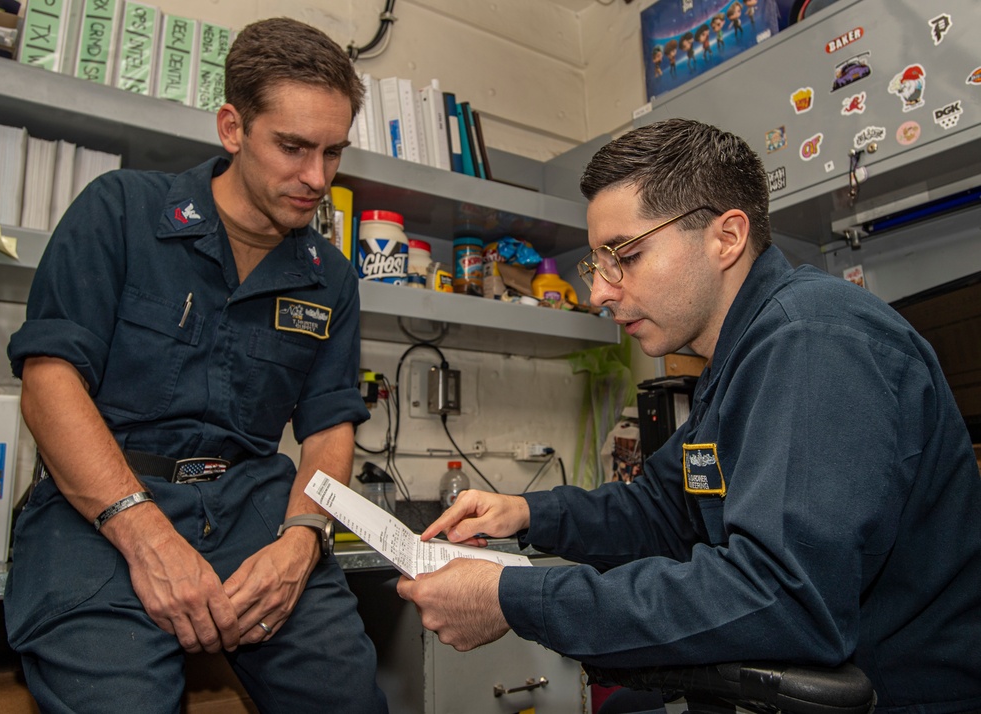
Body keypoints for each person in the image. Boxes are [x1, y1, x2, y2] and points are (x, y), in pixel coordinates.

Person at [396, 118, 981, 713]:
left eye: (624, 254)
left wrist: (513, 597)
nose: (599, 291)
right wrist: (523, 513)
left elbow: (781, 596)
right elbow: (662, 508)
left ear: (726, 237)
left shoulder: (812, 341)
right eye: (596, 263)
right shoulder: (736, 360)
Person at [5, 17, 387, 714]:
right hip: (103, 510)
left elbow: (330, 426)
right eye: (294, 147)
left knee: (349, 700)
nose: (317, 178)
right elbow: (48, 382)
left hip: (256, 516)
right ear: (233, 127)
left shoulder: (330, 277)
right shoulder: (118, 212)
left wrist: (303, 538)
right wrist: (144, 533)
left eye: (333, 153)